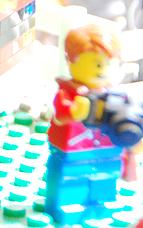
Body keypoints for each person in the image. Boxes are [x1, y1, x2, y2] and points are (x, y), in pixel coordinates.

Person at [45, 24, 142, 224]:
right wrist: (76, 111)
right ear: (71, 61)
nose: (103, 70)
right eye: (97, 64)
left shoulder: (118, 96)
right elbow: (61, 115)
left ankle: (101, 205)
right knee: (71, 180)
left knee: (106, 178)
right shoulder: (68, 93)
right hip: (73, 151)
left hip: (108, 150)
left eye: (109, 64)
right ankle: (67, 206)